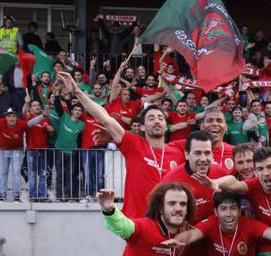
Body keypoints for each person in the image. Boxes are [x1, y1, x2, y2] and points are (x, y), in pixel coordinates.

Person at [59, 71, 184, 217]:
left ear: (165, 124)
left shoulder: (178, 149)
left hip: (169, 225)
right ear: (142, 126)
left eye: (160, 118)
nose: (157, 120)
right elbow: (105, 118)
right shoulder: (133, 143)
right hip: (136, 223)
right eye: (151, 118)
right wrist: (77, 92)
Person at [0, 106, 43, 202]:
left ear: (16, 117)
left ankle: (16, 196)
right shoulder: (1, 122)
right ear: (5, 118)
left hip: (17, 150)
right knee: (2, 173)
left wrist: (43, 115)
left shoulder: (21, 123)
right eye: (9, 116)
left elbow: (31, 122)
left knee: (16, 174)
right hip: (2, 150)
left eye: (13, 116)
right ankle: (1, 195)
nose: (11, 118)